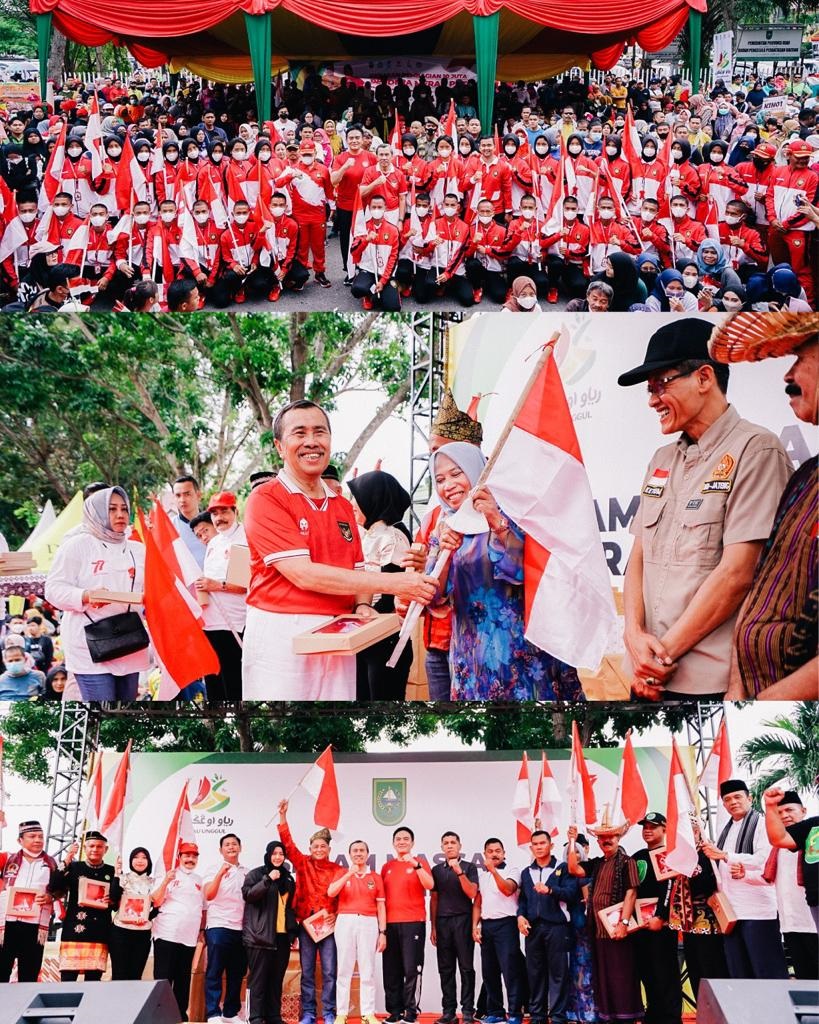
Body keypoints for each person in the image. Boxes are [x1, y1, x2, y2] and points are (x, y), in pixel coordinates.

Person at [618, 319, 791, 700]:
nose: (652, 400)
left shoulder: (757, 450)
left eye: (661, 385)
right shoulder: (662, 458)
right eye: (649, 391)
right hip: (646, 676)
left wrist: (660, 660)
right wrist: (633, 634)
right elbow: (638, 558)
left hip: (707, 684)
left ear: (704, 377)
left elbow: (737, 574)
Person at [241, 400, 436, 700]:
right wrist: (395, 583)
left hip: (340, 632)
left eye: (320, 432)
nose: (311, 442)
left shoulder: (342, 506)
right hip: (282, 635)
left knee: (333, 726)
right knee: (283, 731)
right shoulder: (266, 499)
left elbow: (356, 569)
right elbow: (304, 574)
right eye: (300, 433)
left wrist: (361, 605)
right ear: (280, 446)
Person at [426, 442, 585, 701]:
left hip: (523, 653)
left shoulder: (513, 512)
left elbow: (525, 572)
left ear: (478, 471)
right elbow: (434, 597)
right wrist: (446, 553)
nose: (448, 486)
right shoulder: (444, 528)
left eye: (456, 474)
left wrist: (496, 522)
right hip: (471, 659)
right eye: (440, 479)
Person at [717, 315, 819, 699]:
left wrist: (764, 706)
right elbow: (760, 587)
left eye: (802, 360)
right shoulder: (807, 475)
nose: (787, 375)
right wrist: (737, 690)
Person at [45, 486, 151, 702]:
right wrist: (87, 595)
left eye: (124, 508)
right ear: (96, 512)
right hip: (90, 645)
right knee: (102, 712)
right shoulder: (76, 545)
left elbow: (150, 590)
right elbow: (53, 589)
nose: (120, 514)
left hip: (130, 640)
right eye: (111, 509)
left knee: (123, 715)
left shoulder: (138, 549)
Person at [700, 779, 788, 980]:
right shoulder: (726, 828)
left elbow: (764, 860)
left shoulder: (763, 823)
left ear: (750, 798)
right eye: (727, 799)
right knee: (739, 972)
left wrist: (725, 855)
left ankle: (774, 1011)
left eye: (738, 797)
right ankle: (749, 1012)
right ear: (723, 804)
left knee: (766, 970)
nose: (733, 802)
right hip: (731, 912)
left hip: (758, 911)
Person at [567, 818, 642, 1024]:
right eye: (602, 838)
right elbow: (574, 869)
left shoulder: (628, 862)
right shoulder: (598, 863)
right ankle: (608, 1017)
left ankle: (626, 1018)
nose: (606, 841)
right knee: (603, 978)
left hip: (618, 930)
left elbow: (631, 894)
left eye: (610, 836)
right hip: (598, 930)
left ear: (618, 838)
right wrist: (572, 841)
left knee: (622, 977)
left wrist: (623, 923)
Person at [277, 798, 345, 1024]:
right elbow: (287, 844)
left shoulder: (338, 869)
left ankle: (328, 1013)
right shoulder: (302, 863)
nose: (319, 849)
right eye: (315, 846)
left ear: (329, 849)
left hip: (328, 926)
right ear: (310, 849)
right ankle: (307, 1013)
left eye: (323, 846)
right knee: (307, 972)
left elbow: (343, 897)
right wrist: (283, 817)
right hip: (306, 924)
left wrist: (337, 915)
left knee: (329, 972)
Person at [347, 471, 413, 700]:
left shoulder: (393, 538)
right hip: (364, 636)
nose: (352, 503)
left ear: (372, 498)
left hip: (386, 640)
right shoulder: (366, 536)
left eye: (357, 497)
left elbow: (392, 592)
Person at [662, 816, 728, 1003]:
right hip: (688, 925)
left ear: (698, 831)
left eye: (691, 830)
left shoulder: (708, 853)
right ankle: (704, 1012)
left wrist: (691, 870)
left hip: (709, 925)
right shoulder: (677, 856)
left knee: (712, 972)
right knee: (696, 974)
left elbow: (711, 884)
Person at [517, 829, 579, 1024]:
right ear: (531, 847)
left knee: (558, 973)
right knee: (534, 974)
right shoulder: (526, 873)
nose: (538, 847)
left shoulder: (563, 868)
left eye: (542, 843)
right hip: (533, 930)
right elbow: (524, 901)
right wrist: (520, 916)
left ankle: (558, 1017)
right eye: (535, 844)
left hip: (557, 928)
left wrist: (550, 890)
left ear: (551, 845)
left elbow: (572, 894)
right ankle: (537, 1016)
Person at [758, 789, 818, 979]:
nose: (785, 815)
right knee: (807, 982)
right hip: (793, 922)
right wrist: (769, 806)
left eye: (789, 810)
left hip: (811, 923)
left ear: (803, 810)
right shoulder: (809, 829)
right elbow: (778, 838)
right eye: (780, 812)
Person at [195, 491, 247, 702]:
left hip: (233, 624)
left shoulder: (243, 538)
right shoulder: (214, 543)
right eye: (215, 513)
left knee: (233, 685)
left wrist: (215, 585)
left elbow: (243, 586)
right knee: (214, 684)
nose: (219, 518)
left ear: (235, 511)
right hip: (211, 624)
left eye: (224, 511)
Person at [327, 840, 387, 1024]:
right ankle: (342, 1013)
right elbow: (331, 892)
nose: (358, 853)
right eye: (355, 851)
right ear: (349, 854)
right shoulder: (342, 873)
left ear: (367, 854)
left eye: (362, 850)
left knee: (367, 969)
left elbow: (381, 906)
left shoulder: (376, 877)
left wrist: (382, 931)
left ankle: (368, 1013)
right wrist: (348, 874)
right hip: (345, 921)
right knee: (344, 968)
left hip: (369, 922)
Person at [631, 813, 682, 1024]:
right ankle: (652, 1016)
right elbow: (630, 890)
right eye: (645, 827)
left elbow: (670, 886)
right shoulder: (637, 856)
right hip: (640, 926)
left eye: (653, 827)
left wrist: (661, 916)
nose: (648, 830)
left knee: (665, 972)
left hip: (661, 925)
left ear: (664, 830)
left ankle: (670, 1018)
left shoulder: (669, 855)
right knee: (646, 972)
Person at [381, 826, 434, 1024]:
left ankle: (411, 1012)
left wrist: (417, 866)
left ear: (412, 842)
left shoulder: (420, 863)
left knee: (412, 969)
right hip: (390, 924)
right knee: (391, 969)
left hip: (413, 923)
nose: (402, 841)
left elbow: (430, 885)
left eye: (406, 839)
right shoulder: (387, 867)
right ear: (393, 843)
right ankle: (394, 1011)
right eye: (398, 839)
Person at [242, 840, 298, 1024]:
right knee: (257, 980)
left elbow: (289, 908)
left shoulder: (288, 878)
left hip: (281, 938)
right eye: (274, 853)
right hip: (260, 937)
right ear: (268, 855)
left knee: (276, 979)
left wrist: (292, 932)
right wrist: (267, 880)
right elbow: (249, 896)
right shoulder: (256, 874)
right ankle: (255, 1016)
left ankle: (273, 1015)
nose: (278, 857)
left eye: (281, 854)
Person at [472, 837, 524, 1024]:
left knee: (510, 971)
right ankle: (495, 1011)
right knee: (489, 971)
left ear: (504, 853)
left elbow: (508, 889)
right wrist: (475, 926)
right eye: (490, 851)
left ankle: (515, 1013)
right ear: (484, 854)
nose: (494, 854)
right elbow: (478, 904)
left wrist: (494, 871)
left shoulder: (512, 870)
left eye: (498, 851)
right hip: (487, 926)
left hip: (507, 925)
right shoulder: (482, 876)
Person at [0, 819, 59, 983]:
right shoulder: (7, 858)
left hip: (35, 926)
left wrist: (50, 897)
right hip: (7, 924)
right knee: (1, 969)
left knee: (29, 975)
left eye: (40, 836)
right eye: (32, 836)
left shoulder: (52, 864)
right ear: (20, 840)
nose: (38, 840)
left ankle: (23, 1007)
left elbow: (60, 889)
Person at [152, 840, 205, 1022]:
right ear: (179, 857)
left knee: (183, 979)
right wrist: (166, 880)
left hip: (189, 937)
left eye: (193, 856)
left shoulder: (199, 880)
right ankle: (159, 1014)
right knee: (163, 978)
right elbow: (156, 901)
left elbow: (203, 908)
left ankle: (179, 1015)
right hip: (167, 933)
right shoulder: (168, 875)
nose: (190, 859)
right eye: (186, 855)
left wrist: (201, 930)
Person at [57, 830, 120, 981]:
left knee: (93, 981)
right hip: (74, 928)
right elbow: (54, 887)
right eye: (91, 846)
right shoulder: (73, 867)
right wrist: (66, 859)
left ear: (106, 850)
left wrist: (111, 899)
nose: (95, 850)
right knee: (68, 978)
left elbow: (116, 904)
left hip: (99, 930)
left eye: (99, 847)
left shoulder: (112, 871)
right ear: (84, 848)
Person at [431, 831, 479, 1024]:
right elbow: (434, 900)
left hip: (464, 921)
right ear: (442, 848)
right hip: (442, 923)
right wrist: (433, 926)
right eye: (446, 843)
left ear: (460, 846)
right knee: (446, 969)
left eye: (453, 842)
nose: (449, 845)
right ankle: (449, 1012)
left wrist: (459, 871)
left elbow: (472, 893)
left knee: (466, 968)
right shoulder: (436, 870)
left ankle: (467, 1010)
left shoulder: (469, 867)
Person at [203, 833, 248, 1024]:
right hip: (218, 926)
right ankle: (213, 1013)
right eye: (227, 845)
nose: (231, 847)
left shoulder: (248, 872)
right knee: (214, 970)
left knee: (236, 973)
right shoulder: (213, 869)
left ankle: (230, 1013)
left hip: (241, 928)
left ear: (240, 847)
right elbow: (209, 895)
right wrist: (221, 874)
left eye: (234, 844)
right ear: (220, 850)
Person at [108, 846, 154, 981]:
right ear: (130, 860)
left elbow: (157, 906)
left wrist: (146, 917)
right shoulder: (123, 878)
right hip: (120, 932)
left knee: (135, 976)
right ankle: (116, 1002)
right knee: (119, 974)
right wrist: (117, 873)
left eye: (144, 858)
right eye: (136, 857)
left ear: (149, 862)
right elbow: (113, 898)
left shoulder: (153, 882)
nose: (140, 861)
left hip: (142, 933)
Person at [171, 474, 207, 566]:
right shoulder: (169, 527)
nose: (182, 500)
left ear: (198, 495)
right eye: (178, 495)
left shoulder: (214, 522)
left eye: (187, 494)